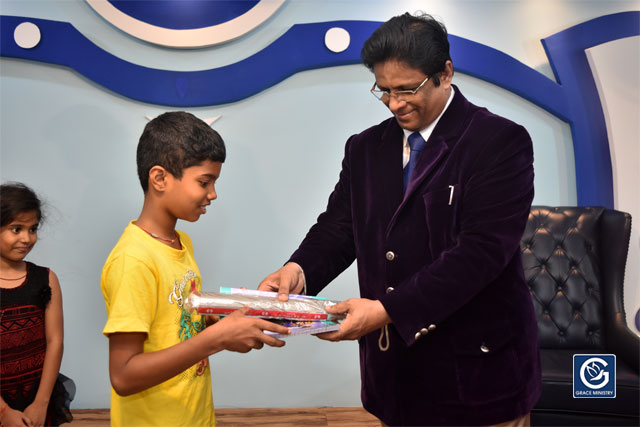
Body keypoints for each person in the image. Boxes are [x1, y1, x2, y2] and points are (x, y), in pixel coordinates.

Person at [259, 12, 540, 426]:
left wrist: (385, 310)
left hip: (479, 375)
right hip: (396, 376)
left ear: (445, 73)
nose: (394, 104)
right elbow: (341, 226)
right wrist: (298, 270)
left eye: (407, 89)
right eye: (383, 90)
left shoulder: (499, 142)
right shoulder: (365, 148)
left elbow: (479, 254)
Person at [101, 112, 289, 426]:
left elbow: (178, 322)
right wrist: (217, 339)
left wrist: (229, 321)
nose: (213, 194)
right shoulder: (133, 260)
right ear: (159, 178)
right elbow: (123, 375)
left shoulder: (180, 242)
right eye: (204, 182)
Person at [0, 182, 73, 427]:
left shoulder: (46, 279)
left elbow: (55, 341)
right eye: (16, 229)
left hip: (36, 399)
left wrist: (41, 403)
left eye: (32, 229)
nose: (26, 238)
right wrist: (3, 411)